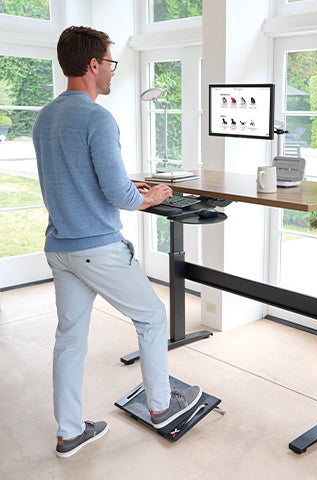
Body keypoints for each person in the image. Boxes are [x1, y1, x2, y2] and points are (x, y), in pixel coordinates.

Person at [32, 25, 202, 458]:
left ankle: (70, 432)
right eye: (110, 63)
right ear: (93, 65)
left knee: (69, 339)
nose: (112, 72)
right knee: (151, 317)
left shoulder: (46, 116)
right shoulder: (96, 117)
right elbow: (119, 197)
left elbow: (71, 177)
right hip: (97, 248)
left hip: (60, 246)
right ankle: (162, 408)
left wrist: (127, 184)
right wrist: (153, 195)